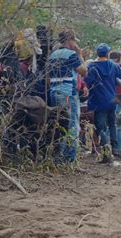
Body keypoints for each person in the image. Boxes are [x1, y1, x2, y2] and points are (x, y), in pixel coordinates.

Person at [48, 29, 87, 163]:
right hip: (68, 93)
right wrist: (80, 54)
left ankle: (58, 157)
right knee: (72, 125)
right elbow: (84, 71)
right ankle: (69, 159)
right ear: (70, 40)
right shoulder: (71, 54)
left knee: (59, 125)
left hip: (54, 92)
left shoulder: (53, 55)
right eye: (74, 41)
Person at [85, 43, 121, 164]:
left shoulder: (92, 66)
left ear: (97, 54)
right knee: (113, 124)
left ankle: (106, 154)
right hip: (112, 101)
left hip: (98, 101)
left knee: (101, 128)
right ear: (108, 53)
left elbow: (88, 82)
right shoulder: (114, 66)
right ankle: (115, 148)